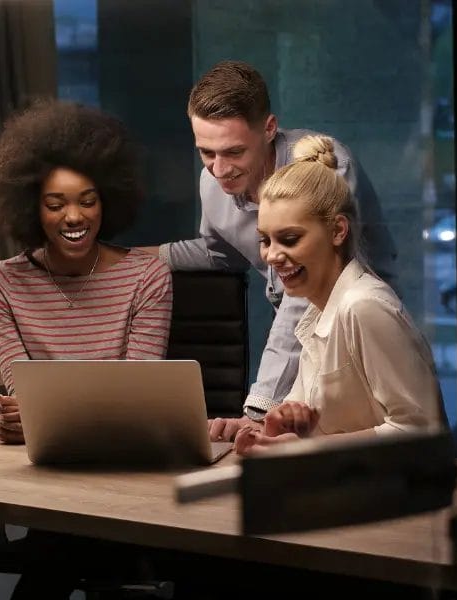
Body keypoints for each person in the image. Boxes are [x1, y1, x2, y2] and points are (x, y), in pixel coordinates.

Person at [141, 61, 398, 441]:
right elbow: (221, 254)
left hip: (360, 339)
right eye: (206, 153)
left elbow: (308, 296)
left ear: (270, 128)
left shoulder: (325, 169)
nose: (219, 169)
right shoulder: (212, 182)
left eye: (233, 152)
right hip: (304, 354)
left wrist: (259, 405)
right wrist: (143, 257)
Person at [234, 134, 445, 455]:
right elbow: (310, 425)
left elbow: (420, 430)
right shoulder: (318, 311)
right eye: (266, 240)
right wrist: (275, 430)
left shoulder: (364, 307)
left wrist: (309, 446)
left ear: (337, 231)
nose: (272, 256)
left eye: (289, 239)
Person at [0, 99, 173, 443]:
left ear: (107, 201)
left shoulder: (148, 277)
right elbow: (22, 394)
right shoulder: (0, 284)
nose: (73, 217)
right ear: (31, 209)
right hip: (43, 460)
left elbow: (139, 394)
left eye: (87, 201)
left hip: (125, 450)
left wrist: (44, 417)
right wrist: (16, 417)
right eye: (55, 205)